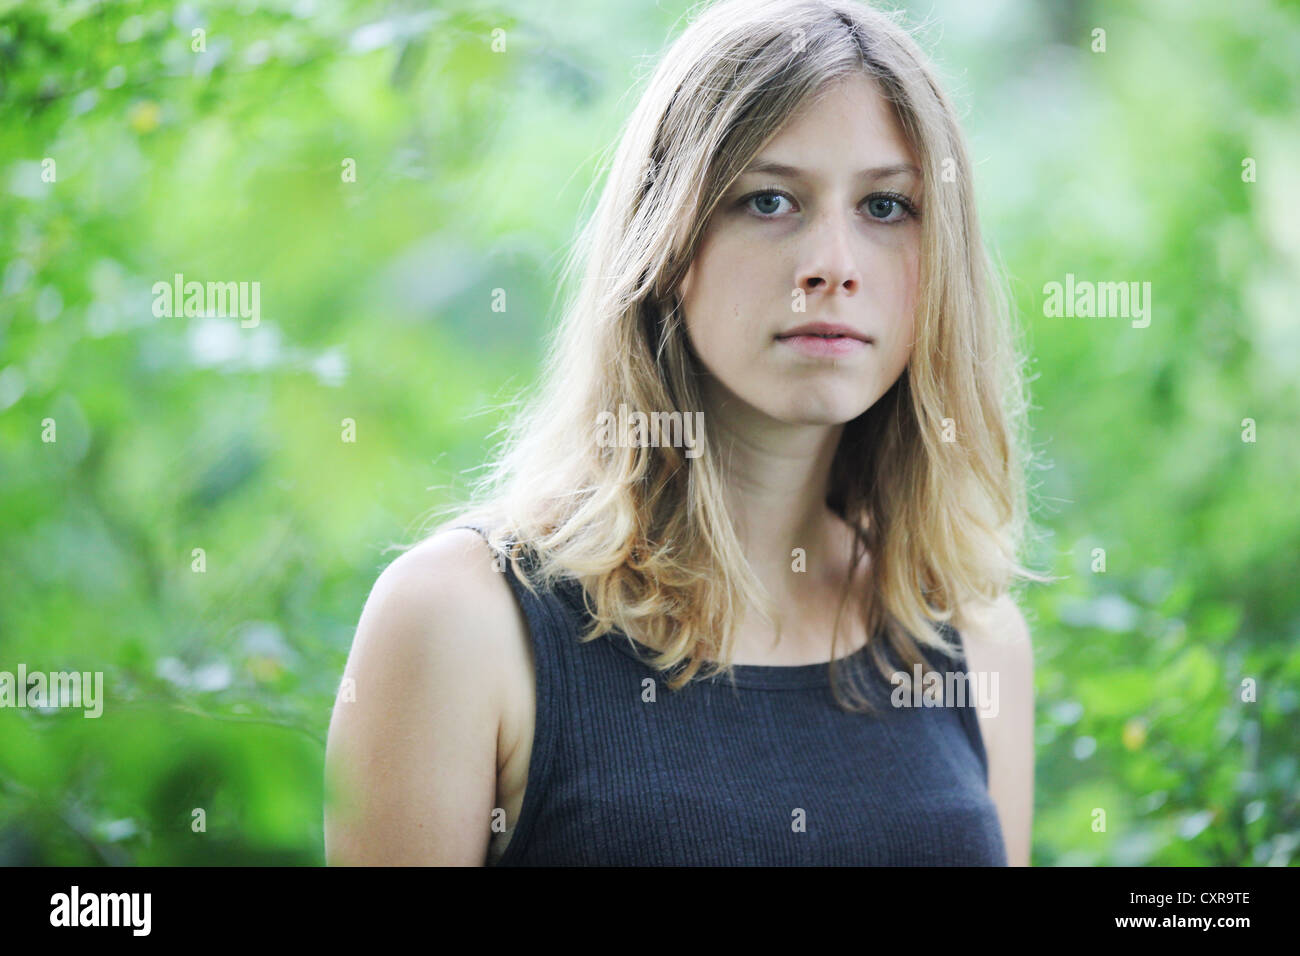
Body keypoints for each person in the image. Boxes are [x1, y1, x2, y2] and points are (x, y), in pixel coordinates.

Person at [324, 0, 1048, 866]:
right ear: (663, 244)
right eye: (770, 199)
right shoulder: (460, 620)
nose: (835, 265)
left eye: (887, 207)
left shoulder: (973, 640)